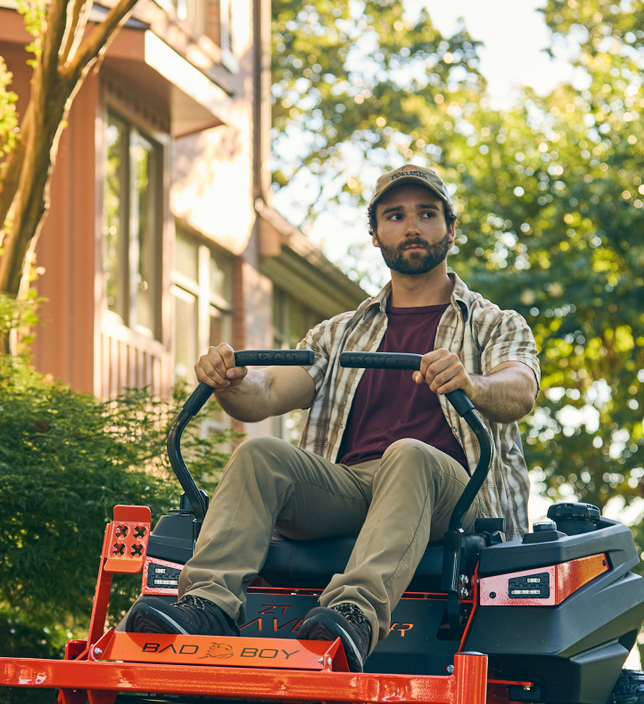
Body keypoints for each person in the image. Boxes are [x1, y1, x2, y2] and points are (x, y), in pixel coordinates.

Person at [127, 165, 540, 669]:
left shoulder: (493, 323)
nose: (412, 227)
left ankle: (353, 613)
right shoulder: (340, 333)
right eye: (395, 216)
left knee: (406, 454)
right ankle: (207, 606)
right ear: (375, 235)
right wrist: (233, 382)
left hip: (451, 495)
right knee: (260, 453)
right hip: (351, 486)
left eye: (427, 214)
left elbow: (520, 388)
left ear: (450, 230)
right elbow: (270, 392)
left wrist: (472, 382)